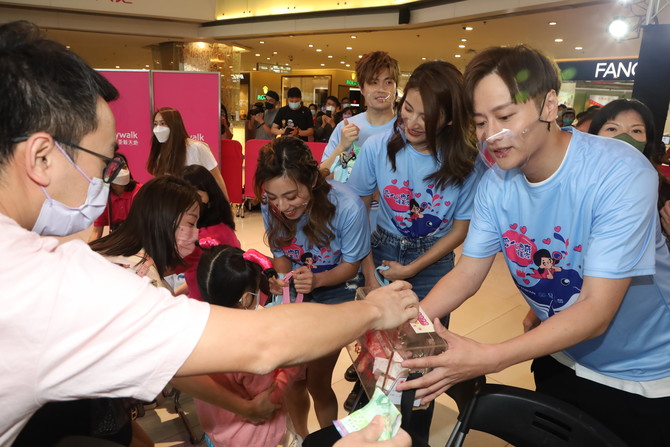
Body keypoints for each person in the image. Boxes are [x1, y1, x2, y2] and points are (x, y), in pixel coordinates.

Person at [0, 20, 419, 445]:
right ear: (41, 157)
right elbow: (262, 343)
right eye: (107, 161)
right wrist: (373, 310)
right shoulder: (47, 286)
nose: (112, 178)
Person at [398, 45, 670, 447]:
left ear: (548, 106)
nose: (492, 135)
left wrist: (490, 356)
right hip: (559, 350)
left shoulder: (620, 172)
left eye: (505, 116)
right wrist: (403, 325)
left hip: (643, 374)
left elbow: (596, 309)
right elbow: (468, 273)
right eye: (480, 122)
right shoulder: (495, 184)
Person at [346, 60, 482, 441]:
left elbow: (461, 228)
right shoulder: (377, 146)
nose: (414, 122)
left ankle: (413, 434)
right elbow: (357, 209)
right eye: (408, 109)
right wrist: (370, 272)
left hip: (435, 261)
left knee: (424, 358)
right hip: (382, 248)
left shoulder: (465, 161)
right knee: (378, 352)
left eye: (429, 115)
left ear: (451, 119)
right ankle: (372, 428)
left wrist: (415, 267)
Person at [255, 136, 371, 438]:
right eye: (272, 197)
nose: (281, 206)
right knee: (292, 378)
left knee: (318, 381)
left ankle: (327, 440)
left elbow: (350, 267)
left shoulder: (347, 206)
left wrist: (318, 279)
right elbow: (280, 254)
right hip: (297, 294)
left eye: (291, 196)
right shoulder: (273, 206)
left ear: (312, 181)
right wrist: (280, 280)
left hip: (335, 291)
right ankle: (301, 438)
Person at [193, 243, 303, 447]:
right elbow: (270, 396)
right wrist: (293, 363)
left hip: (217, 430)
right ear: (246, 298)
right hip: (252, 438)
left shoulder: (197, 329)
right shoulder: (249, 346)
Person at [320, 52, 399, 179]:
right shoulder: (345, 127)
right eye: (373, 82)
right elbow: (321, 176)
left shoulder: (407, 129)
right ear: (362, 88)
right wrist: (342, 146)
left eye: (388, 82)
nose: (381, 89)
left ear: (396, 87)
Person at [179, 164, 240, 300]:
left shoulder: (209, 235)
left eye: (196, 195)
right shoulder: (218, 225)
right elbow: (196, 275)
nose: (190, 202)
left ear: (210, 195)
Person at [147, 106, 229, 200]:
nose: (158, 128)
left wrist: (225, 206)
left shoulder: (197, 148)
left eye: (163, 123)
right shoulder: (160, 152)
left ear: (174, 125)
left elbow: (217, 178)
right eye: (155, 124)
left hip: (196, 204)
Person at [89, 152, 142, 242]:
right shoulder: (103, 198)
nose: (122, 171)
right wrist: (86, 253)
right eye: (116, 169)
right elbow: (96, 232)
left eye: (124, 166)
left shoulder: (141, 192)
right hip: (116, 243)